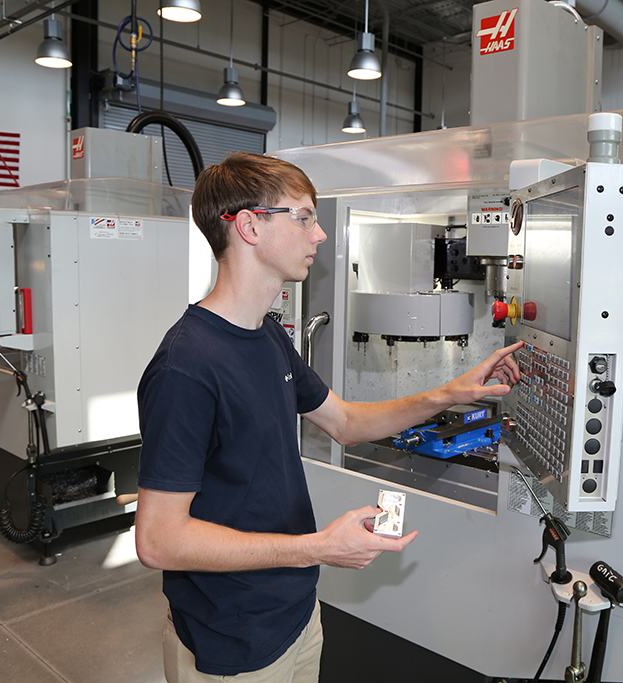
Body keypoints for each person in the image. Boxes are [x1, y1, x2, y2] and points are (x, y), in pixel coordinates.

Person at [134, 152, 523, 683]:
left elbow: (344, 421)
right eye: (304, 217)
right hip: (231, 638)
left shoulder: (268, 335)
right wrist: (319, 547)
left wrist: (449, 394)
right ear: (248, 225)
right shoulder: (187, 367)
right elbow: (158, 540)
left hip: (295, 611)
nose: (319, 235)